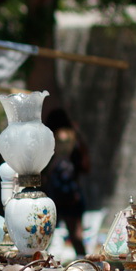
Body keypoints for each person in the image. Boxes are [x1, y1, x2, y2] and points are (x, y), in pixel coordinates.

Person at [43, 108, 90, 257]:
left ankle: (39, 264)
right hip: (72, 193)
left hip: (53, 194)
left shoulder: (48, 140)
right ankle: (85, 265)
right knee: (76, 237)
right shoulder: (75, 138)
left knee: (45, 237)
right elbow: (85, 166)